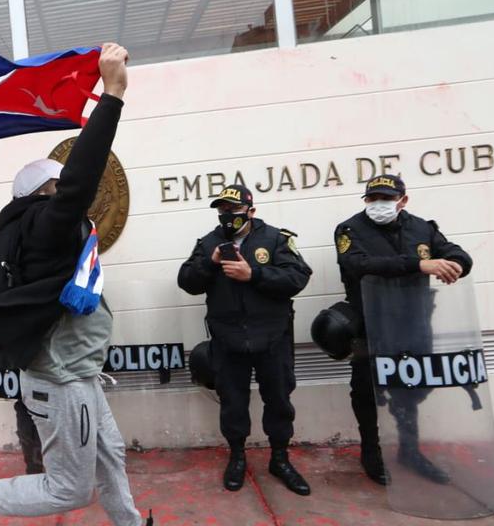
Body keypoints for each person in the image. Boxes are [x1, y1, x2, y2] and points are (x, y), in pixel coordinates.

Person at [0, 43, 149, 526]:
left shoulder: (26, 233)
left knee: (111, 452)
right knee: (68, 488)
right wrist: (112, 95)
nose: (70, 198)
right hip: (62, 383)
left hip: (75, 373)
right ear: (43, 195)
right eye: (59, 188)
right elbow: (82, 179)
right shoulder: (41, 228)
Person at [334, 174, 472, 485]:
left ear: (403, 200)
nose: (378, 204)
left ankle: (410, 450)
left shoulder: (423, 228)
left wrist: (456, 265)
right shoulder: (349, 229)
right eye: (372, 199)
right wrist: (419, 265)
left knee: (411, 390)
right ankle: (371, 452)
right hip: (371, 325)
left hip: (413, 324)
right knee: (367, 392)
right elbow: (358, 265)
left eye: (386, 198)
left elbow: (457, 253)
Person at [177, 185, 313, 496]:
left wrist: (254, 275)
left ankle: (280, 458)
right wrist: (209, 263)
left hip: (273, 336)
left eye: (234, 210)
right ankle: (237, 457)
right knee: (232, 402)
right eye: (223, 210)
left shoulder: (276, 239)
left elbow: (298, 277)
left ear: (250, 211)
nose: (228, 216)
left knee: (278, 400)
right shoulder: (209, 242)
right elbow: (187, 282)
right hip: (228, 339)